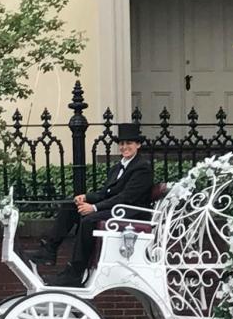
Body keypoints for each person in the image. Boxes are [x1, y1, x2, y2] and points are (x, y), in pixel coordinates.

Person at [26, 123, 153, 287]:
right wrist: (86, 197)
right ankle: (49, 250)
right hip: (116, 208)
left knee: (89, 220)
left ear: (138, 145)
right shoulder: (117, 168)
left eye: (129, 143)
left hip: (131, 213)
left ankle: (75, 272)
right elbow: (106, 193)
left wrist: (94, 207)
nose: (124, 147)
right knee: (69, 207)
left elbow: (126, 197)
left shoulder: (142, 168)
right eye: (122, 144)